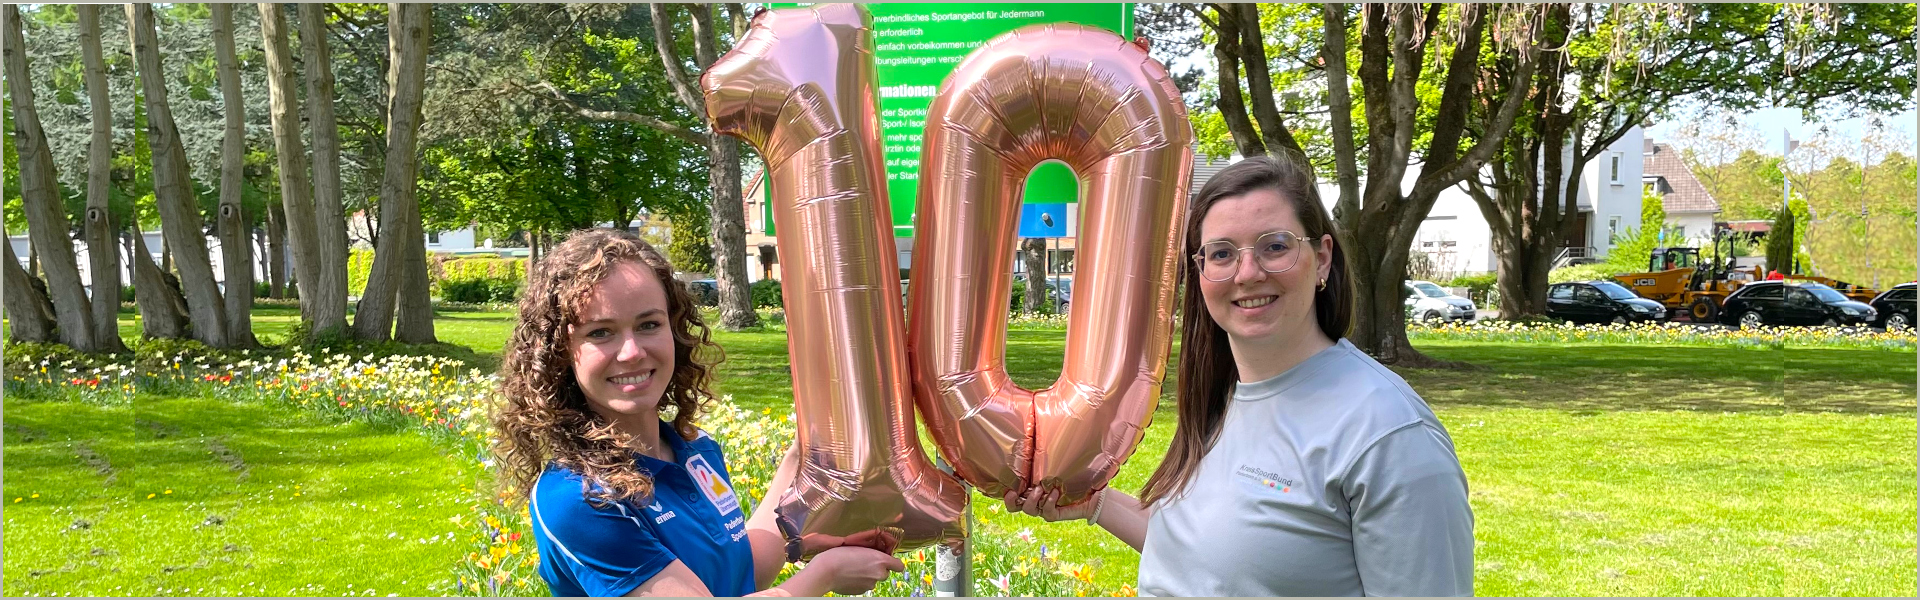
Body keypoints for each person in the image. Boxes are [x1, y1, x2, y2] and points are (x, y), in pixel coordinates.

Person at [1003, 156, 1475, 596]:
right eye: (1223, 254)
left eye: (1275, 246)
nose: (1248, 273)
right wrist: (1096, 504)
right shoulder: (1223, 397)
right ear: (1201, 271)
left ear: (1323, 259)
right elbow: (1211, 560)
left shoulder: (1389, 435)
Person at [492, 228, 903, 597]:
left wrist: (801, 475)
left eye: (649, 324)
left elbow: (743, 570)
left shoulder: (695, 450)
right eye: (601, 332)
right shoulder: (579, 499)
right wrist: (824, 576)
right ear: (561, 353)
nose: (633, 352)